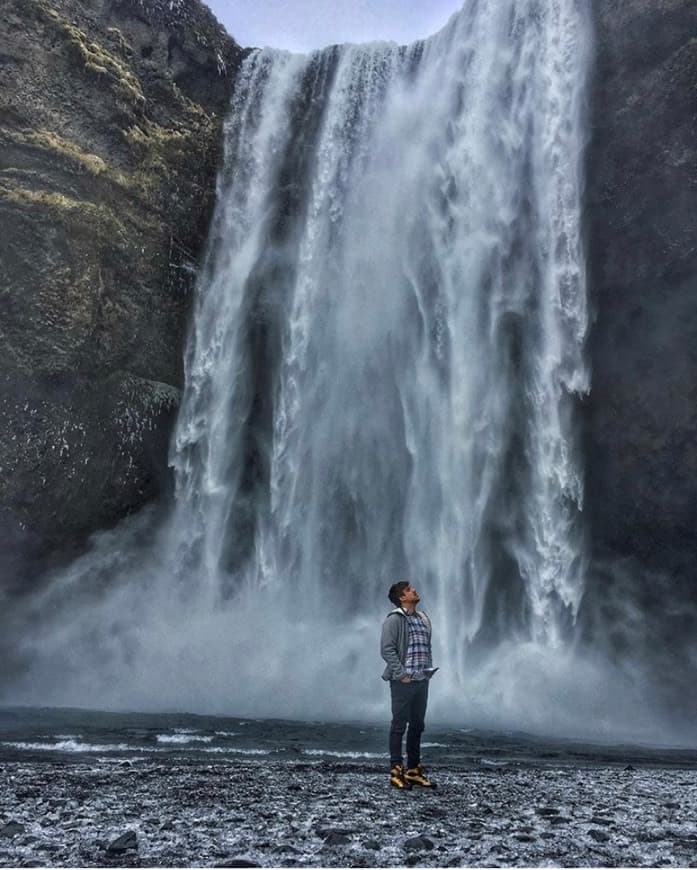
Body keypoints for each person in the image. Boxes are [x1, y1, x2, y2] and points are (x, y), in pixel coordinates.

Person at [380, 580, 436, 789]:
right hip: (403, 681)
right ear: (402, 597)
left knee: (418, 725)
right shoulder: (394, 620)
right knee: (398, 725)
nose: (414, 590)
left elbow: (424, 648)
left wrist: (428, 671)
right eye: (409, 589)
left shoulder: (422, 619)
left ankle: (413, 769)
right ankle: (396, 770)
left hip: (422, 680)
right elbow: (387, 649)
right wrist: (401, 674)